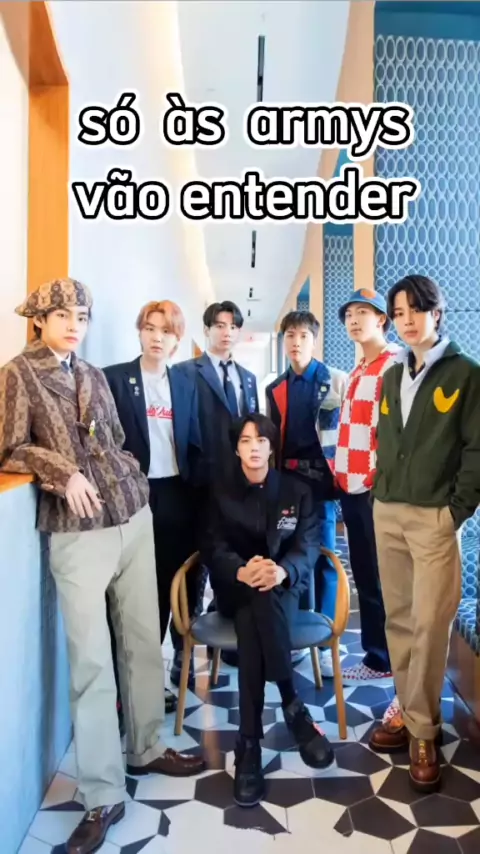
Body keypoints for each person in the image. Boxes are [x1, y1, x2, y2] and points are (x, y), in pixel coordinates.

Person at [0, 279, 205, 854]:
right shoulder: (19, 373)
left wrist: (132, 480)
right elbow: (9, 447)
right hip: (77, 532)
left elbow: (114, 438)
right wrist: (62, 471)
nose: (74, 325)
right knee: (92, 664)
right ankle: (102, 793)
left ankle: (146, 745)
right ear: (40, 319)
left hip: (132, 517)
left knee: (142, 642)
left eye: (82, 316)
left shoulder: (92, 374)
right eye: (63, 315)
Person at [368, 274, 480, 793]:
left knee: (431, 624)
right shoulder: (393, 375)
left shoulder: (466, 374)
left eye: (416, 309)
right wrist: (379, 488)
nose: (406, 320)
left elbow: (476, 450)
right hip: (388, 512)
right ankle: (411, 711)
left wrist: (455, 513)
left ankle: (423, 732)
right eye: (399, 312)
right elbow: (387, 438)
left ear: (436, 312)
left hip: (435, 519)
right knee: (399, 621)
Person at [202, 413, 335, 807]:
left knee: (255, 614)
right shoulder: (219, 492)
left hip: (283, 588)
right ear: (236, 448)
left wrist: (281, 571)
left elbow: (308, 546)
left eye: (261, 440)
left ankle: (248, 743)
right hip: (236, 586)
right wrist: (242, 570)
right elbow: (212, 546)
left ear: (272, 446)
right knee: (254, 599)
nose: (254, 448)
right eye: (246, 440)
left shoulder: (296, 491)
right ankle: (293, 706)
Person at [104, 300, 204, 715]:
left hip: (176, 496)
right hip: (132, 496)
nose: (157, 337)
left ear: (177, 340)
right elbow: (99, 437)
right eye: (150, 328)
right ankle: (122, 688)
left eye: (166, 331)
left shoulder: (184, 382)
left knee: (164, 589)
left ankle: (150, 682)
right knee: (127, 594)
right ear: (140, 332)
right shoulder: (114, 379)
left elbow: (194, 440)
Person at [178, 299, 259, 671]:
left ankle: (229, 637)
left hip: (237, 487)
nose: (227, 332)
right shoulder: (185, 373)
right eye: (220, 325)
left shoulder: (248, 378)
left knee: (233, 559)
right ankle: (184, 647)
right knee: (194, 567)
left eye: (233, 326)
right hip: (198, 486)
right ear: (207, 329)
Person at [266, 310, 348, 677]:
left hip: (322, 484)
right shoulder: (275, 388)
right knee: (291, 556)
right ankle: (297, 632)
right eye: (290, 336)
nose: (296, 342)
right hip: (287, 485)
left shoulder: (336, 381)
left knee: (325, 557)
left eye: (303, 336)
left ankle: (328, 639)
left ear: (314, 340)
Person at [332, 289, 401, 685]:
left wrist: (379, 479)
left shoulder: (395, 364)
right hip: (352, 488)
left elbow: (397, 432)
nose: (355, 320)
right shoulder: (358, 369)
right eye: (349, 314)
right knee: (365, 573)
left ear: (382, 320)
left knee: (380, 577)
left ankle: (384, 660)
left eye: (364, 312)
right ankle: (379, 656)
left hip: (376, 489)